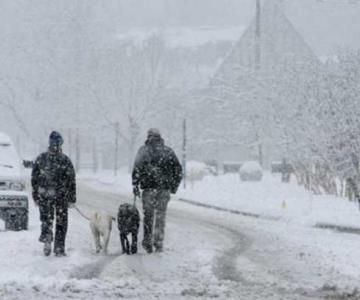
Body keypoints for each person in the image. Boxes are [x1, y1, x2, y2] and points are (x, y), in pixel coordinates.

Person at [132, 128, 182, 253]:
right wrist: (173, 186)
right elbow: (178, 170)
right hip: (164, 190)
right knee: (160, 216)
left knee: (148, 216)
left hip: (149, 189)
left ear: (148, 137)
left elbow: (136, 169)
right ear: (160, 137)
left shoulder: (143, 151)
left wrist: (135, 185)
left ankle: (147, 241)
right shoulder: (168, 151)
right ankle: (158, 242)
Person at [31, 131, 76, 257]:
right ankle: (59, 248)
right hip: (61, 195)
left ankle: (47, 238)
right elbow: (71, 180)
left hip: (44, 195)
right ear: (60, 144)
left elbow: (34, 179)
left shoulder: (41, 158)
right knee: (61, 221)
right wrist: (72, 198)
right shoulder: (65, 160)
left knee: (46, 219)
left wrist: (35, 195)